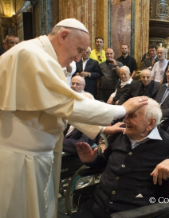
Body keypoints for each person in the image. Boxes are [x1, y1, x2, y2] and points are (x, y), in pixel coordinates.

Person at [0, 18, 148, 218]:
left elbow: (56, 106)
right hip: (23, 159)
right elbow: (67, 104)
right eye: (79, 50)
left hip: (35, 153)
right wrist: (120, 110)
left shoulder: (37, 53)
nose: (79, 58)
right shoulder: (32, 55)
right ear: (63, 37)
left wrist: (102, 129)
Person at [72, 98, 169, 218]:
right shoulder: (120, 135)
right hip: (97, 205)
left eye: (132, 116)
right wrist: (91, 160)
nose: (125, 120)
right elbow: (104, 161)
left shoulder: (167, 143)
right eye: (126, 115)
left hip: (133, 212)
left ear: (150, 123)